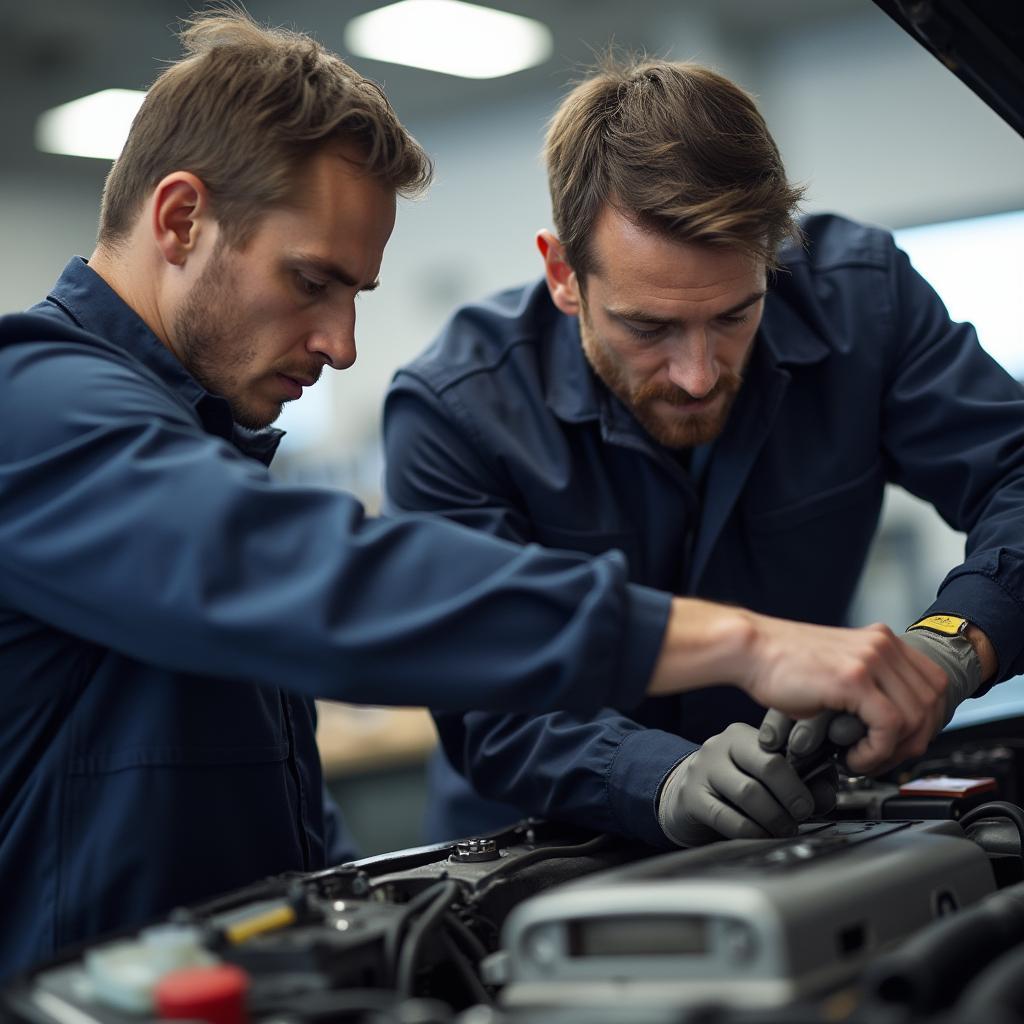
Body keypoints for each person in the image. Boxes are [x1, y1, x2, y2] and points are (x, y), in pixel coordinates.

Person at [0, 17, 940, 980]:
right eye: (312, 281)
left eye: (356, 293)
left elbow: (273, 801)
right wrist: (746, 640)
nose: (342, 343)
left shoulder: (197, 435)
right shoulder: (28, 405)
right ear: (180, 219)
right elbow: (330, 581)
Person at [383, 56, 1022, 850]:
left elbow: (1016, 474)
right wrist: (653, 776)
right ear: (562, 273)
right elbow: (486, 690)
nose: (697, 374)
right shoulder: (456, 410)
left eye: (734, 315)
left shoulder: (867, 302)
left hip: (802, 823)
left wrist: (954, 643)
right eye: (648, 328)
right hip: (545, 852)